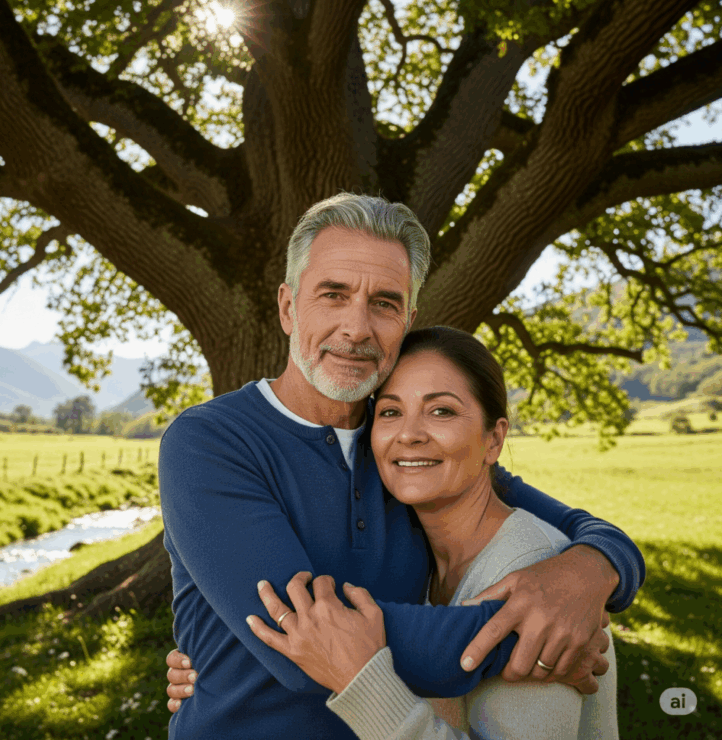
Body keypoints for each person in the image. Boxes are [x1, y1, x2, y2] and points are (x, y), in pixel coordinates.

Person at [159, 193, 644, 739]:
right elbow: (301, 646)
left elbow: (581, 528)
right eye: (333, 295)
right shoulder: (209, 442)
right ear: (288, 307)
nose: (357, 327)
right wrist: (538, 633)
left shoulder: (405, 451)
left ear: (408, 319)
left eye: (384, 303)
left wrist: (589, 571)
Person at [242, 326, 620, 739]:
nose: (410, 434)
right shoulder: (411, 550)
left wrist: (362, 683)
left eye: (441, 411)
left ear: (493, 440)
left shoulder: (533, 570)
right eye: (390, 412)